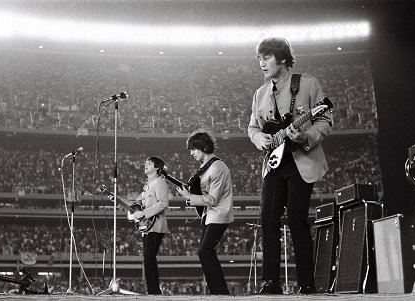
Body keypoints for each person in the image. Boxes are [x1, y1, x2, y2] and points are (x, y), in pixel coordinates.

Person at [248, 37, 333, 294]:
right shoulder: (259, 94)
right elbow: (252, 128)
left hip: (301, 160)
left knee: (297, 219)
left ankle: (307, 283)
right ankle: (271, 282)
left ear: (282, 58)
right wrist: (259, 138)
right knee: (268, 220)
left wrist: (305, 136)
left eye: (266, 57)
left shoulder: (307, 84)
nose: (261, 63)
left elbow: (325, 120)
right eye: (259, 58)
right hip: (274, 164)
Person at [176, 131, 234, 295]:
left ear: (202, 147)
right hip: (210, 215)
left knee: (205, 250)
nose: (191, 153)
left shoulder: (217, 167)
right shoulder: (206, 166)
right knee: (204, 252)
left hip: (219, 214)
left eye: (193, 149)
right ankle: (218, 291)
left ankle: (220, 292)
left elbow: (213, 199)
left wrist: (188, 197)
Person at [131, 156, 170, 295]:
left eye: (149, 163)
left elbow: (163, 203)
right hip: (147, 227)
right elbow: (136, 204)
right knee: (148, 259)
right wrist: (117, 199)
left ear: (157, 168)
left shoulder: (159, 182)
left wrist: (144, 213)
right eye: (145, 163)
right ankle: (153, 291)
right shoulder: (147, 184)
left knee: (149, 258)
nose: (145, 164)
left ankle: (154, 292)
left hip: (156, 225)